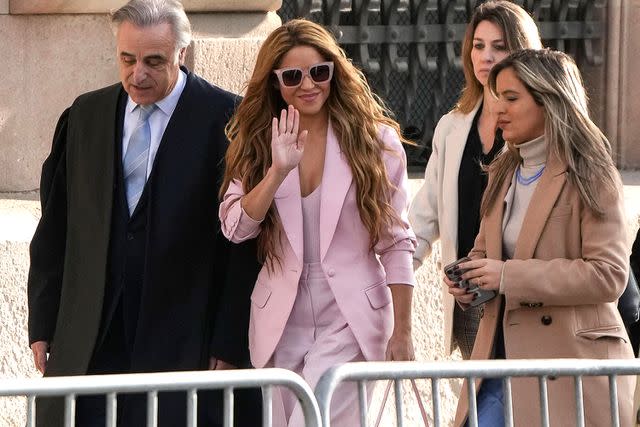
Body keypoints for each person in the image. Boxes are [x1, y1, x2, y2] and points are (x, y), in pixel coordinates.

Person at [27, 1, 260, 426]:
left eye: (154, 61)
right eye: (127, 59)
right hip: (92, 331)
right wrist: (42, 320)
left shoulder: (229, 120)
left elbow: (244, 246)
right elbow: (55, 229)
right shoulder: (85, 117)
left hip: (185, 333)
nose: (138, 74)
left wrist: (230, 342)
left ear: (182, 54)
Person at [218, 18, 416, 427]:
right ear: (275, 83)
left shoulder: (374, 142)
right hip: (281, 318)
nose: (308, 85)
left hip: (351, 317)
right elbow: (236, 227)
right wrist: (275, 171)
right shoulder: (257, 144)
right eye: (293, 76)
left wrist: (404, 330)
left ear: (333, 73)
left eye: (319, 72)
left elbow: (396, 242)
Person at [449, 48, 635, 426]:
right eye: (496, 96)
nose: (498, 109)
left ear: (549, 100)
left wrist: (507, 276)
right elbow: (485, 253)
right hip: (499, 363)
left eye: (512, 98)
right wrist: (471, 281)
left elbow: (609, 274)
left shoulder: (591, 173)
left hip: (570, 370)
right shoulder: (502, 172)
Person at [409, 0, 542, 359]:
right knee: (480, 412)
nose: (486, 56)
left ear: (523, 51)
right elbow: (425, 216)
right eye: (478, 46)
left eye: (499, 46)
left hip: (527, 305)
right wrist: (393, 279)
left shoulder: (540, 127)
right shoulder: (451, 127)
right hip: (471, 305)